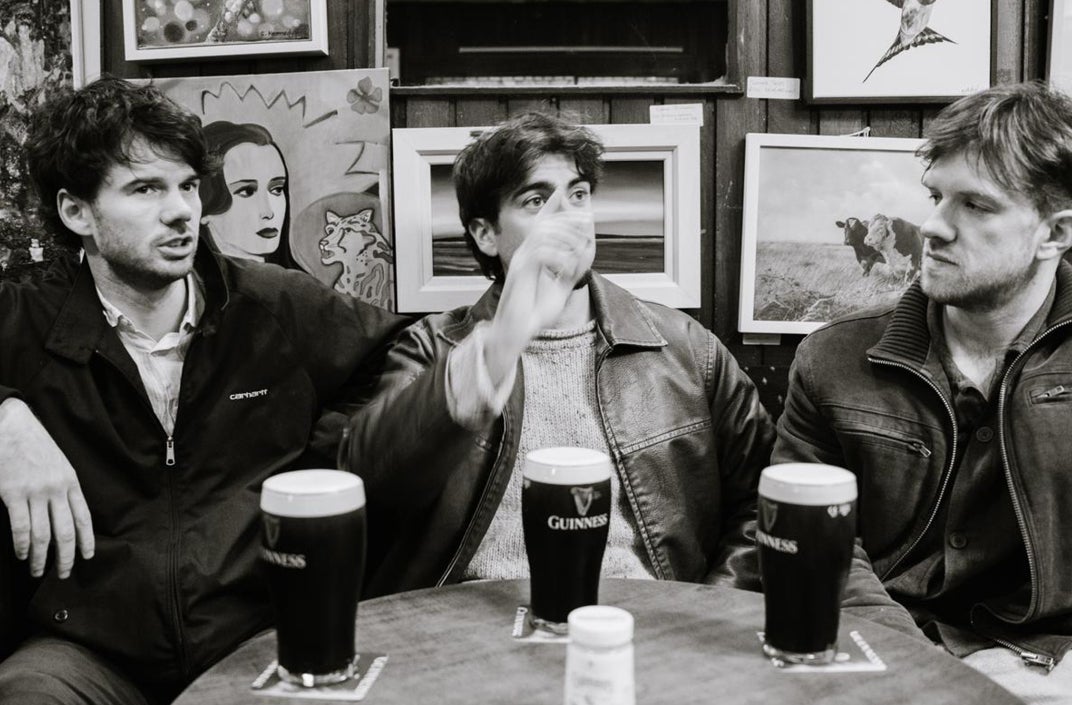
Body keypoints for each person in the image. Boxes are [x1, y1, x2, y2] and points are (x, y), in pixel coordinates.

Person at [0, 77, 406, 704]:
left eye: (187, 185)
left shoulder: (270, 303)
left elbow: (400, 355)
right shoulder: (26, 318)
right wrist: (6, 419)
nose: (182, 210)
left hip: (255, 636)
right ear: (76, 211)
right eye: (145, 189)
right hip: (84, 650)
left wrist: (320, 454)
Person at [342, 111, 775, 597]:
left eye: (577, 194)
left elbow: (764, 501)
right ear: (486, 235)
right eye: (535, 199)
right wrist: (506, 336)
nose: (567, 216)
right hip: (471, 626)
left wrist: (707, 607)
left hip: (647, 622)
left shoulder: (686, 347)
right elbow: (368, 486)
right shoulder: (431, 345)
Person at [774, 81, 1072, 702]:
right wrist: (924, 672)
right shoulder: (833, 358)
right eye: (935, 196)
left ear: (1055, 232)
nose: (933, 226)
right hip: (878, 659)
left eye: (977, 206)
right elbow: (814, 546)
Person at [198, 120, 296, 268]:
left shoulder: (300, 287)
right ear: (205, 203)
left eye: (276, 189)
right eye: (247, 191)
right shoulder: (189, 288)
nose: (268, 212)